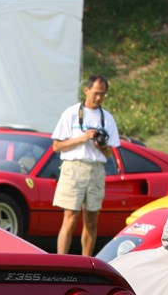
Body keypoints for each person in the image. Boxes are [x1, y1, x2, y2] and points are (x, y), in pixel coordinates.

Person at [51, 74, 121, 256]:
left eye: (103, 95)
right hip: (73, 168)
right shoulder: (71, 114)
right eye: (96, 93)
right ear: (86, 90)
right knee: (70, 218)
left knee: (91, 221)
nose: (99, 98)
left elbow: (109, 153)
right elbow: (57, 146)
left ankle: (87, 261)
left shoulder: (107, 118)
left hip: (96, 169)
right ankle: (61, 261)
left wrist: (102, 146)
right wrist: (82, 138)